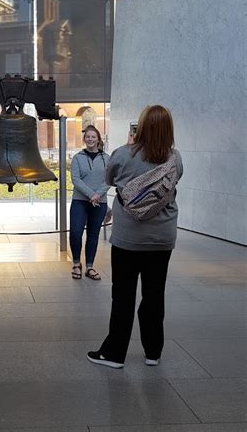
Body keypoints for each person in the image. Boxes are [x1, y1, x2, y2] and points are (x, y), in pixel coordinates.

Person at [87, 105, 183, 369]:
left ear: (139, 128)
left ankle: (115, 354)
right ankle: (153, 352)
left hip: (128, 239)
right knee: (155, 295)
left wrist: (132, 147)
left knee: (123, 296)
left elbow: (110, 177)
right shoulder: (176, 159)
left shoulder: (122, 155)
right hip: (162, 239)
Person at [69, 125, 110, 280]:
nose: (90, 139)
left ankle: (89, 267)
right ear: (84, 139)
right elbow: (76, 179)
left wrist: (97, 195)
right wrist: (91, 194)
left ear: (98, 139)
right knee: (75, 233)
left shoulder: (107, 158)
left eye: (93, 137)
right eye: (88, 137)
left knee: (93, 235)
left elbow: (109, 179)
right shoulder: (78, 158)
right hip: (80, 201)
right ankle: (76, 264)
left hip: (99, 202)